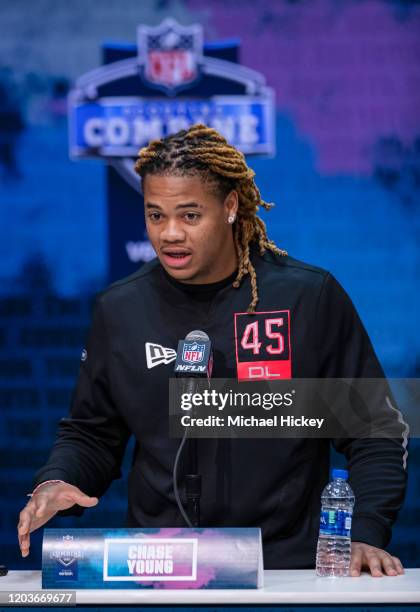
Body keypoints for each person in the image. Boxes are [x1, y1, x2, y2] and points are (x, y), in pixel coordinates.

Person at [18, 124, 408, 577]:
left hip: (283, 573)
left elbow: (375, 428)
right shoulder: (120, 309)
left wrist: (365, 530)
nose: (169, 235)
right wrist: (57, 479)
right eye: (155, 215)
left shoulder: (305, 297)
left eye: (189, 215)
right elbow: (91, 433)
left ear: (229, 206)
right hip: (159, 572)